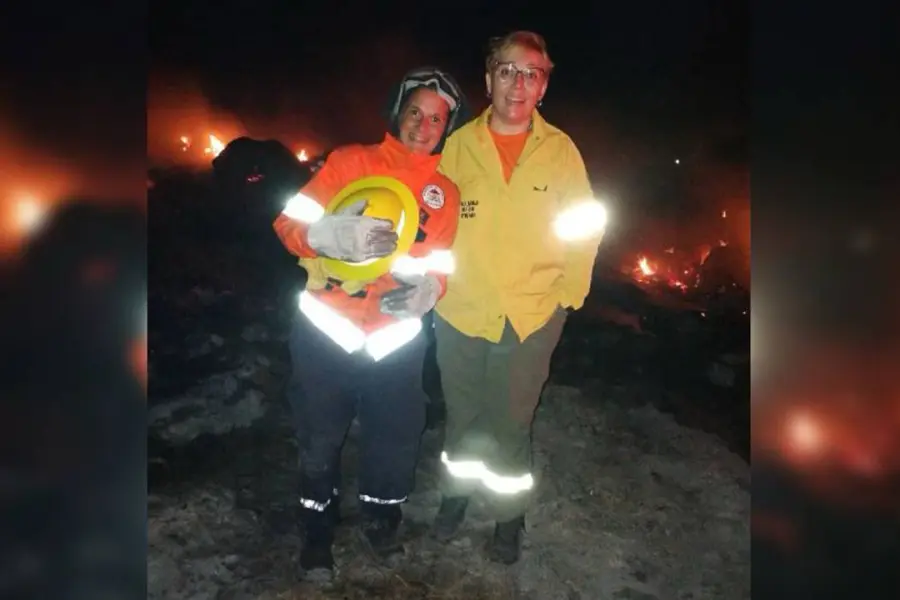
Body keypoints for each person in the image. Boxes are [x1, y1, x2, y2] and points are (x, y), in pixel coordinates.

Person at [272, 67, 468, 579]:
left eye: (436, 119)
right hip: (325, 329)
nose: (424, 127)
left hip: (395, 339)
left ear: (446, 128)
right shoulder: (349, 161)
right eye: (415, 113)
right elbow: (287, 222)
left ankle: (382, 520)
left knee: (397, 436)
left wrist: (432, 290)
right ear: (398, 114)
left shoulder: (444, 195)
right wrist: (324, 237)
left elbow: (441, 264)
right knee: (319, 437)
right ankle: (317, 534)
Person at [430, 31, 608, 564]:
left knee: (511, 423)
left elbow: (584, 226)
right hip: (460, 309)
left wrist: (567, 296)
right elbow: (433, 221)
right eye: (508, 70)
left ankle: (508, 518)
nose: (518, 83)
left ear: (543, 87)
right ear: (488, 80)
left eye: (531, 73)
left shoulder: (560, 152)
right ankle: (454, 497)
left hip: (531, 314)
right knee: (462, 415)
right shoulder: (458, 146)